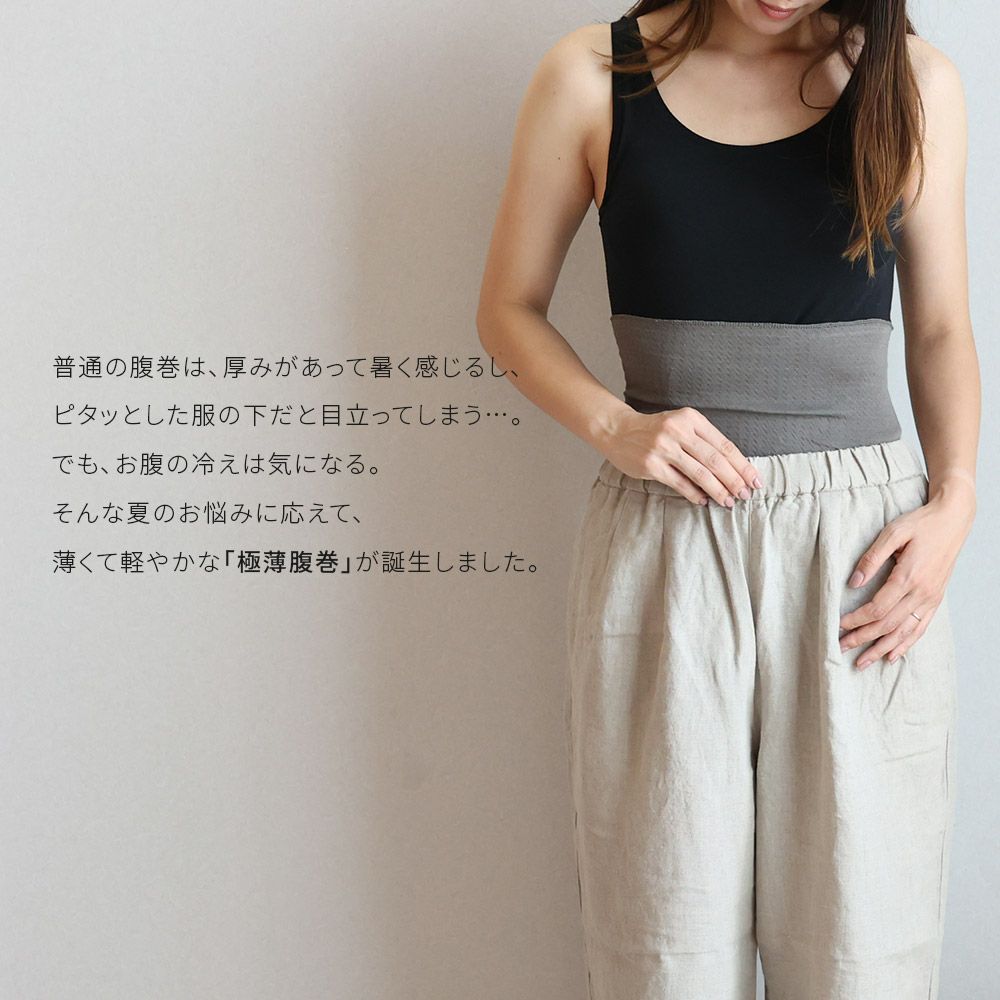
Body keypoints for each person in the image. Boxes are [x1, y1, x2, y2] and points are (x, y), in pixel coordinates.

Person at [475, 0, 979, 997]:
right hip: (664, 536)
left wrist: (955, 499)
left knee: (862, 944)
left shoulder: (911, 82)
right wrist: (617, 427)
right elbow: (506, 308)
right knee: (661, 939)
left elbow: (939, 328)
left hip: (861, 552)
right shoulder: (592, 77)